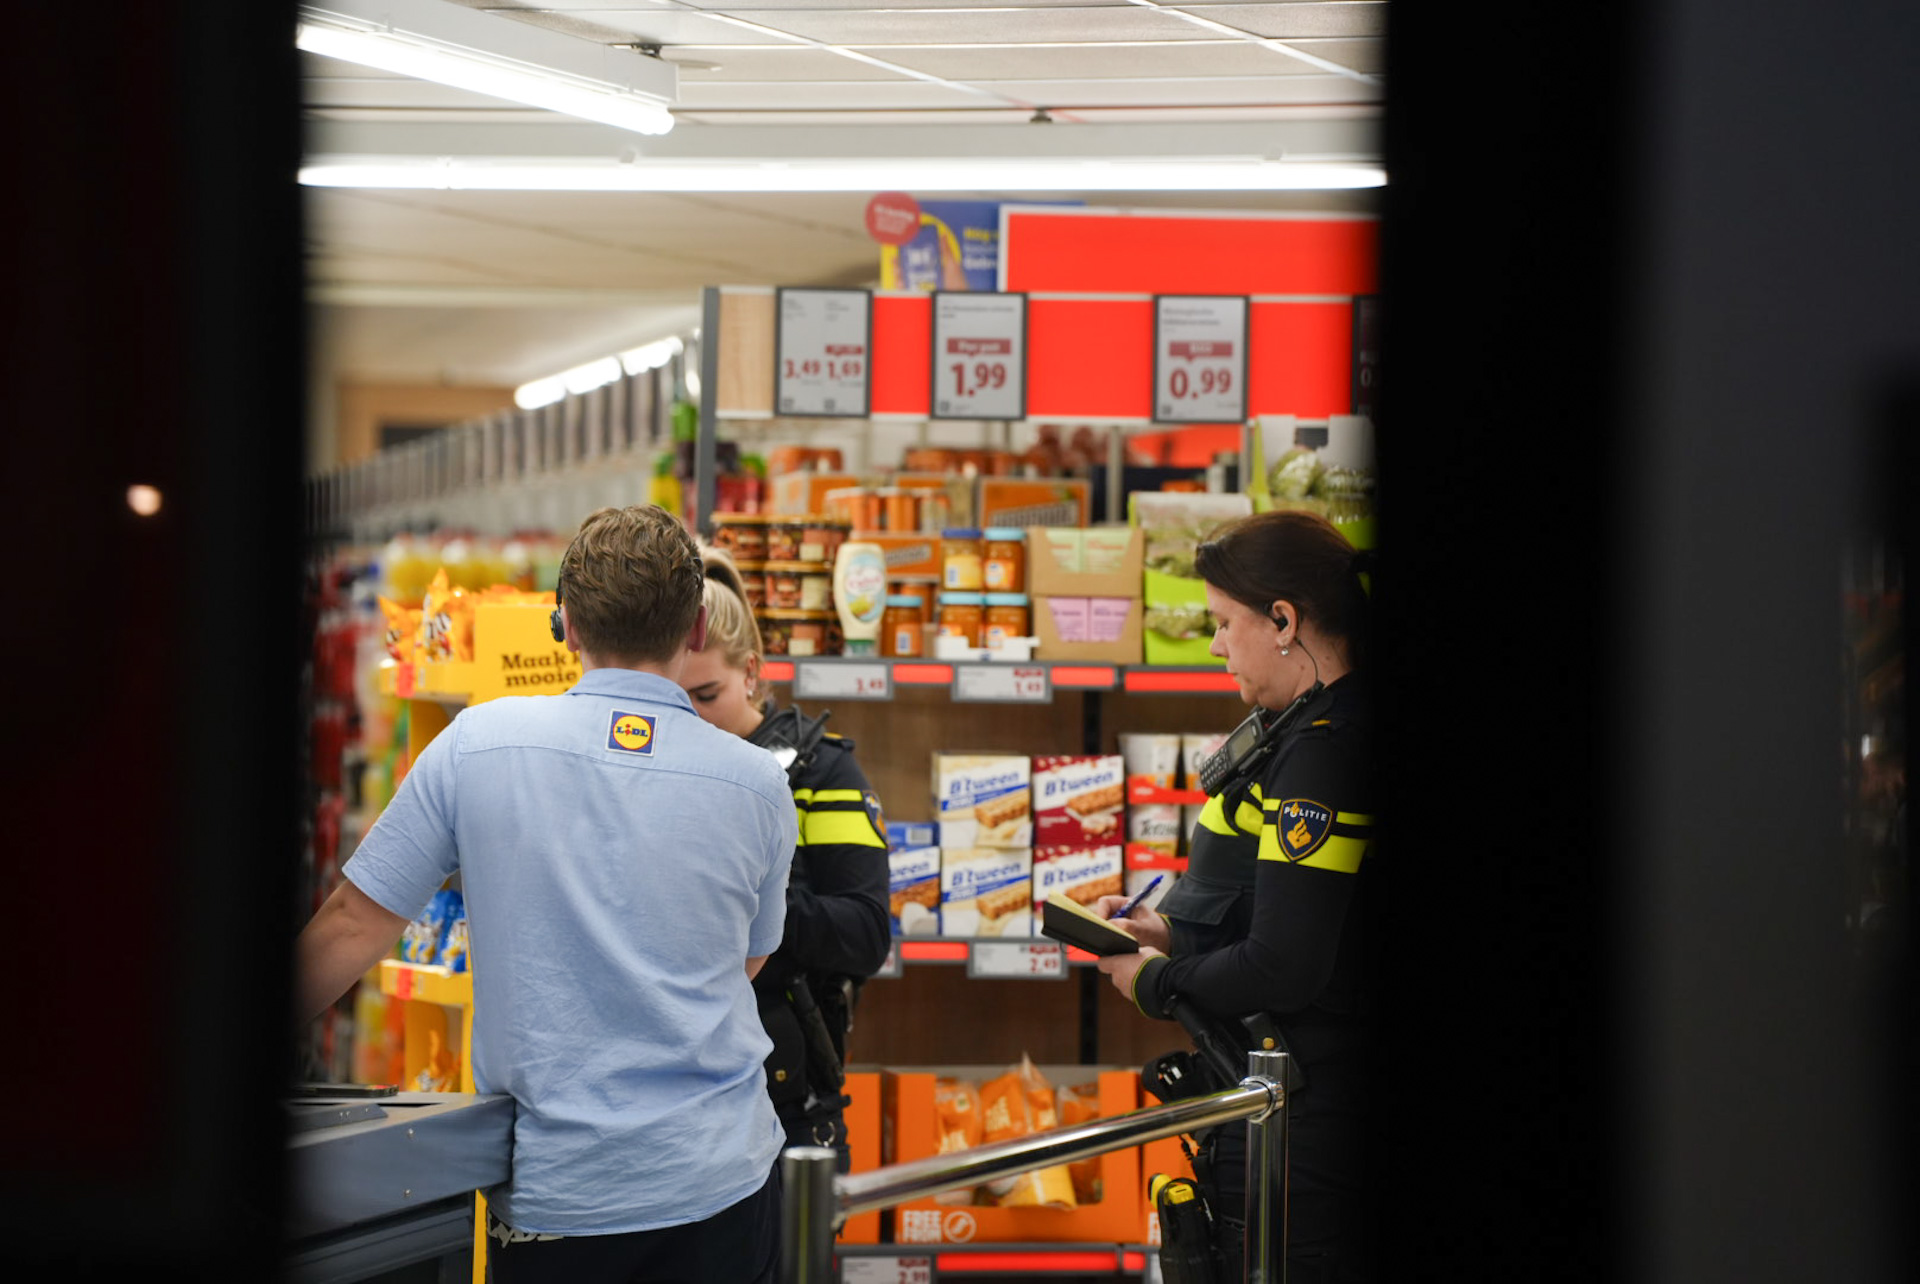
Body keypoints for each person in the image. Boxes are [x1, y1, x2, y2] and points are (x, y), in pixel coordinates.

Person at [294, 505, 798, 1284]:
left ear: (561, 624)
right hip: (719, 1182)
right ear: (698, 627)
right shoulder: (759, 783)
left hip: (560, 1197)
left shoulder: (474, 745)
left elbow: (352, 923)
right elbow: (748, 960)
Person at [1094, 509, 1376, 1284]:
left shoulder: (1324, 753)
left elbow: (1287, 964)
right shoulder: (1306, 728)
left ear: (1283, 620)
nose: (1215, 645)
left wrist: (1157, 982)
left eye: (1225, 623)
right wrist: (1175, 936)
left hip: (1308, 1130)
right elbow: (1288, 912)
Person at [677, 545, 891, 1170]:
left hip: (788, 1103)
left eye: (707, 694)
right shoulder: (654, 763)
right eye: (674, 695)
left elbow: (866, 933)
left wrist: (758, 898)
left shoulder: (823, 771)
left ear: (753, 671)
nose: (691, 717)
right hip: (672, 1095)